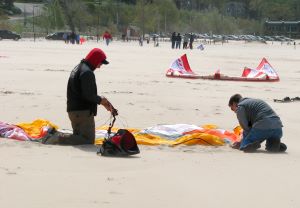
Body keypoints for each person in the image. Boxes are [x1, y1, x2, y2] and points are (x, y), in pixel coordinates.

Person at [43, 48, 117, 145]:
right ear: (95, 60)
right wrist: (101, 100)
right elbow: (88, 95)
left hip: (74, 111)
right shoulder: (87, 73)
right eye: (100, 63)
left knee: (78, 137)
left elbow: (84, 92)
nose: (100, 66)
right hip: (82, 112)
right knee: (87, 141)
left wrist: (103, 102)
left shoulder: (79, 68)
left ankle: (54, 135)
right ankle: (56, 137)